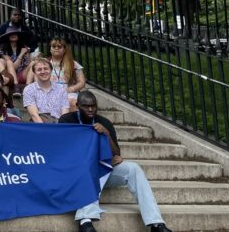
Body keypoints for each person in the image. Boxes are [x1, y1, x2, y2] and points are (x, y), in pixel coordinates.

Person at [60, 91, 171, 232]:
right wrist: (96, 161)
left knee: (133, 168)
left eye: (93, 106)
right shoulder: (66, 120)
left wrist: (106, 133)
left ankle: (156, 223)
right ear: (77, 105)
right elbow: (65, 152)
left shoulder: (104, 122)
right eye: (86, 106)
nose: (90, 109)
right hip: (77, 174)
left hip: (103, 171)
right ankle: (85, 221)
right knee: (86, 167)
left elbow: (116, 154)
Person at [38, 37, 86, 111]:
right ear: (50, 49)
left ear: (64, 49)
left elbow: (82, 82)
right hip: (49, 91)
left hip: (68, 92)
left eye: (59, 47)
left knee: (72, 102)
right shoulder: (44, 63)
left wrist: (72, 88)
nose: (56, 48)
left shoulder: (73, 63)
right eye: (54, 46)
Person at [23, 58, 69, 123]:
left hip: (58, 125)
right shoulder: (29, 89)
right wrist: (45, 129)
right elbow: (34, 115)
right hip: (39, 126)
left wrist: (60, 128)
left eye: (46, 68)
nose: (43, 72)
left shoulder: (61, 89)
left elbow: (65, 114)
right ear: (34, 72)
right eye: (39, 70)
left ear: (51, 70)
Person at [0, 28, 31, 96]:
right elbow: (13, 67)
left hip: (22, 73)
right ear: (8, 36)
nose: (13, 35)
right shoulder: (3, 48)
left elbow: (27, 64)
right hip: (11, 76)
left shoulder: (24, 47)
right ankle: (16, 87)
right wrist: (21, 54)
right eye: (10, 34)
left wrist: (28, 55)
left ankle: (28, 88)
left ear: (18, 36)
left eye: (15, 34)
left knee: (34, 63)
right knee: (9, 62)